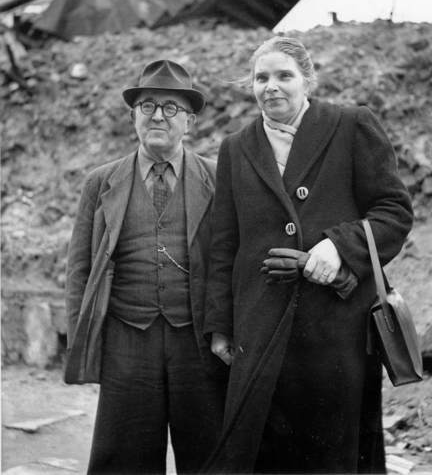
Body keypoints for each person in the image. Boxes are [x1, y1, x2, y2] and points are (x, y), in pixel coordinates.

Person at [204, 37, 413, 474]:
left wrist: (340, 245)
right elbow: (223, 243)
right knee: (262, 450)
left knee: (332, 453)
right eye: (262, 78)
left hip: (336, 326)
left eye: (284, 76)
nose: (271, 87)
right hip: (260, 327)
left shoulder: (350, 125)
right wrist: (221, 325)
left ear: (308, 80)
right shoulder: (236, 148)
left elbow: (393, 212)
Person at [65, 59, 225, 475]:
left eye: (171, 108)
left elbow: (233, 263)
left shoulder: (219, 177)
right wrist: (85, 346)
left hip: (197, 341)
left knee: (210, 456)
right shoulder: (101, 182)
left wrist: (228, 331)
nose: (158, 116)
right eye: (147, 105)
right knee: (123, 459)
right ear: (133, 115)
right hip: (126, 342)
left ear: (189, 121)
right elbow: (80, 270)